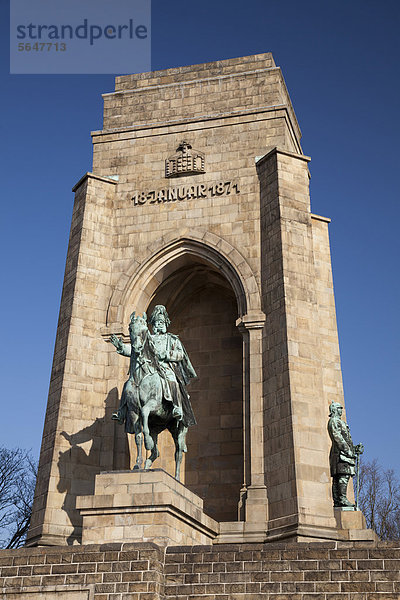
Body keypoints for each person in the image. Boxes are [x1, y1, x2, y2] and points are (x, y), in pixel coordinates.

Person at [111, 305, 197, 427]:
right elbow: (136, 349)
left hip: (167, 367)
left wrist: (166, 354)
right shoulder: (148, 338)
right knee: (129, 384)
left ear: (166, 323)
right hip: (149, 367)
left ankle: (177, 408)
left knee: (172, 380)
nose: (159, 324)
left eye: (162, 322)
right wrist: (121, 347)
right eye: (157, 322)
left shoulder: (171, 339)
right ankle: (122, 411)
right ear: (153, 324)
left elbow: (180, 354)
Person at [327, 401, 356, 508]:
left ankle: (339, 499)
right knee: (342, 475)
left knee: (340, 476)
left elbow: (346, 438)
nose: (341, 410)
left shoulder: (339, 421)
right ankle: (341, 499)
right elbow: (337, 436)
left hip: (342, 452)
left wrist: (354, 449)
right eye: (339, 408)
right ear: (334, 409)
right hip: (340, 453)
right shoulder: (334, 421)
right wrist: (347, 450)